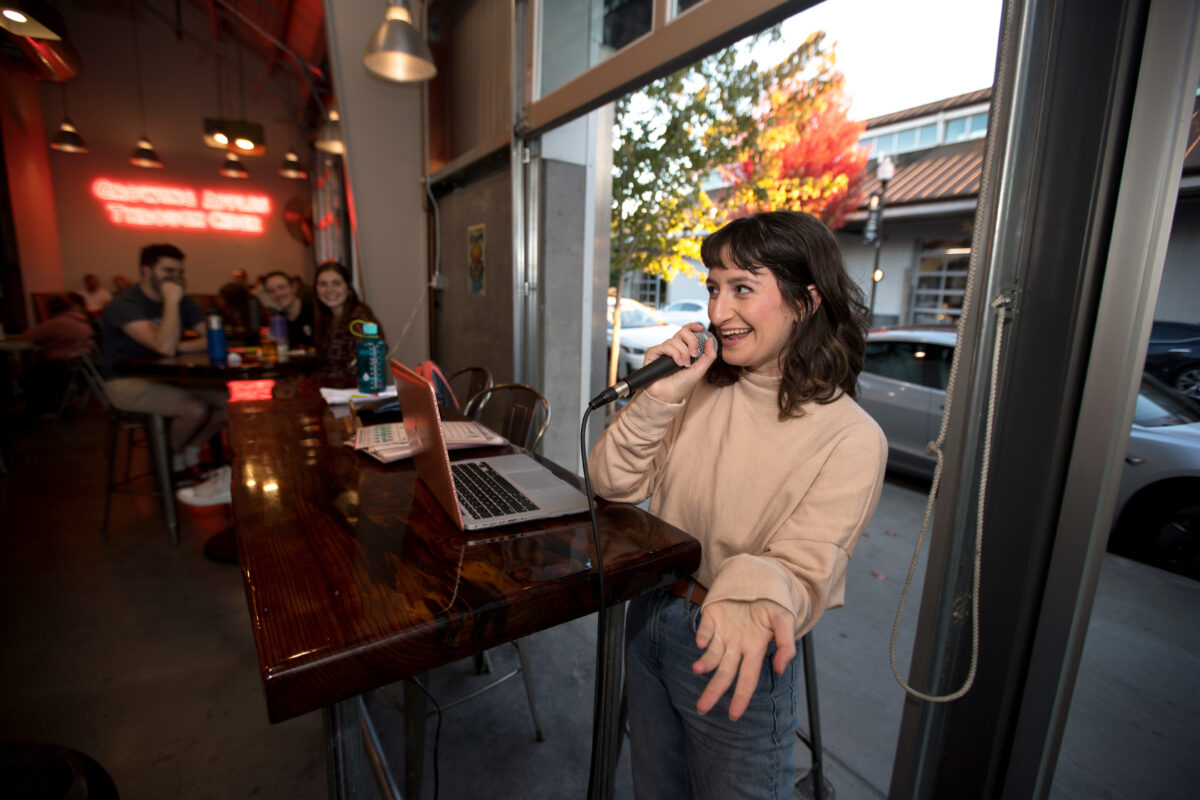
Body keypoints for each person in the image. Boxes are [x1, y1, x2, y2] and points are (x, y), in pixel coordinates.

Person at [588, 211, 888, 800]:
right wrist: (661, 396)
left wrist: (754, 592)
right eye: (713, 288)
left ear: (805, 302)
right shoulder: (696, 389)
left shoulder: (851, 437)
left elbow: (806, 564)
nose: (718, 312)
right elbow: (612, 482)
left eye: (742, 289)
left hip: (735, 643)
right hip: (650, 612)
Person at [101, 244, 227, 474]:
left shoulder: (184, 302)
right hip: (124, 381)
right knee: (195, 409)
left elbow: (214, 337)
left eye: (180, 272)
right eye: (168, 271)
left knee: (229, 402)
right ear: (146, 271)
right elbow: (165, 348)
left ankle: (190, 449)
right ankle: (170, 461)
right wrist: (170, 302)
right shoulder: (125, 304)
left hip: (169, 377)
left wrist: (175, 345)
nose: (176, 278)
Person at [311, 261, 384, 388]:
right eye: (323, 284)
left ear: (349, 288)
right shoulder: (327, 319)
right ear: (316, 290)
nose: (329, 289)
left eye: (336, 283)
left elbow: (360, 371)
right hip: (329, 390)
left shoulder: (358, 321)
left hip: (350, 394)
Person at [19, 293, 94, 417]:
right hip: (80, 361)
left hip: (64, 363)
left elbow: (29, 336)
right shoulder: (80, 319)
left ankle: (43, 409)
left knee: (31, 373)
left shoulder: (58, 322)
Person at [261, 271, 315, 348]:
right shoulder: (278, 321)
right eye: (271, 291)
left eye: (281, 287)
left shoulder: (315, 312)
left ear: (294, 287)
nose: (278, 294)